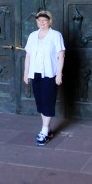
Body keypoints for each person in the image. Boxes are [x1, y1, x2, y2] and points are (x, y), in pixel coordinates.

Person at [23, 10, 65, 146]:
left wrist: (59, 73)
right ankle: (46, 128)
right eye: (39, 20)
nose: (42, 22)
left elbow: (61, 55)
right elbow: (28, 56)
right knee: (40, 101)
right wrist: (26, 73)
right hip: (35, 73)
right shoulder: (32, 36)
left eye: (44, 20)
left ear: (49, 21)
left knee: (48, 100)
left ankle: (44, 130)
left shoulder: (55, 35)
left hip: (49, 73)